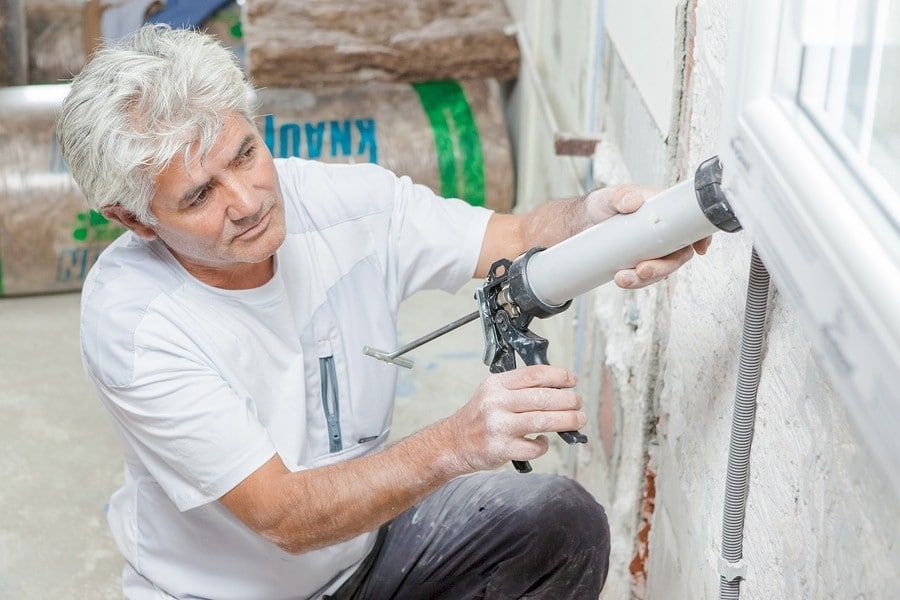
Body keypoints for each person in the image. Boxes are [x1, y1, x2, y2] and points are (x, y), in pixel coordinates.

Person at [58, 25, 708, 600]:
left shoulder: (343, 203)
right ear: (134, 219)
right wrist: (457, 442)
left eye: (246, 154)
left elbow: (516, 238)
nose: (247, 200)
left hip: (366, 555)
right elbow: (285, 518)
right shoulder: (135, 324)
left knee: (559, 522)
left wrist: (599, 223)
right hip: (223, 590)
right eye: (200, 194)